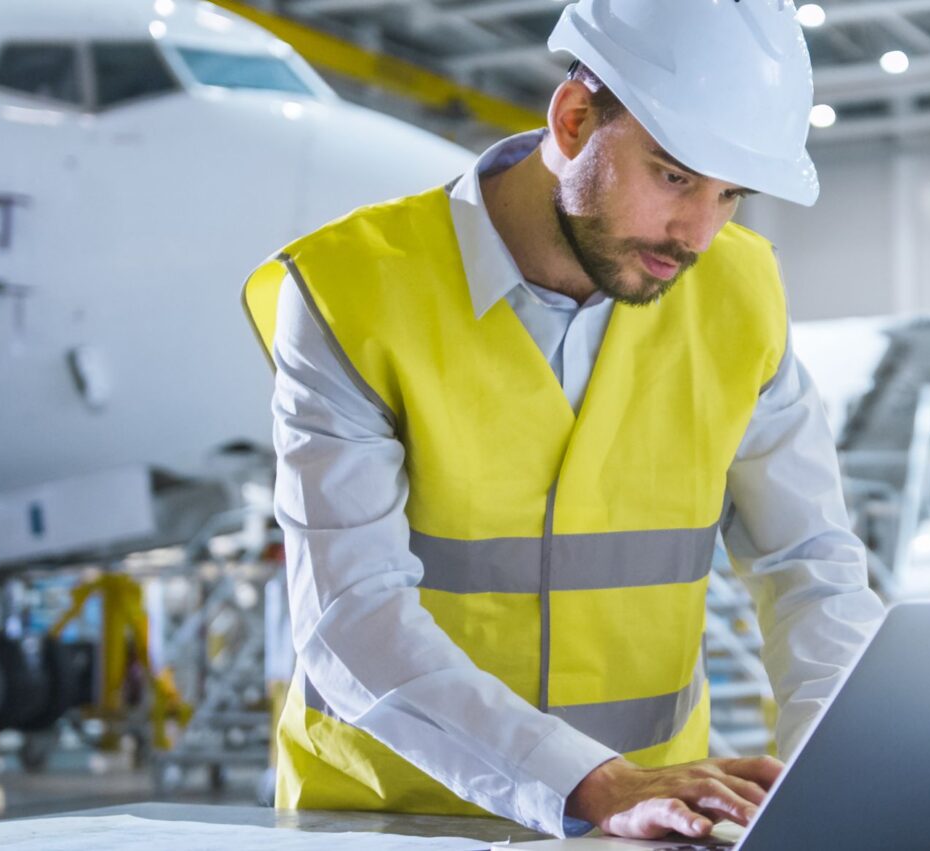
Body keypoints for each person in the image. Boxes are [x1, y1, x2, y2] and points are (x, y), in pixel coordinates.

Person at [239, 0, 885, 841]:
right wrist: (591, 783)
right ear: (574, 119)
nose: (697, 233)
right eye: (675, 176)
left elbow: (812, 566)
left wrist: (841, 777)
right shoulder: (350, 294)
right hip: (402, 824)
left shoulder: (740, 292)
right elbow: (350, 619)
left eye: (730, 194)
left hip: (656, 828)